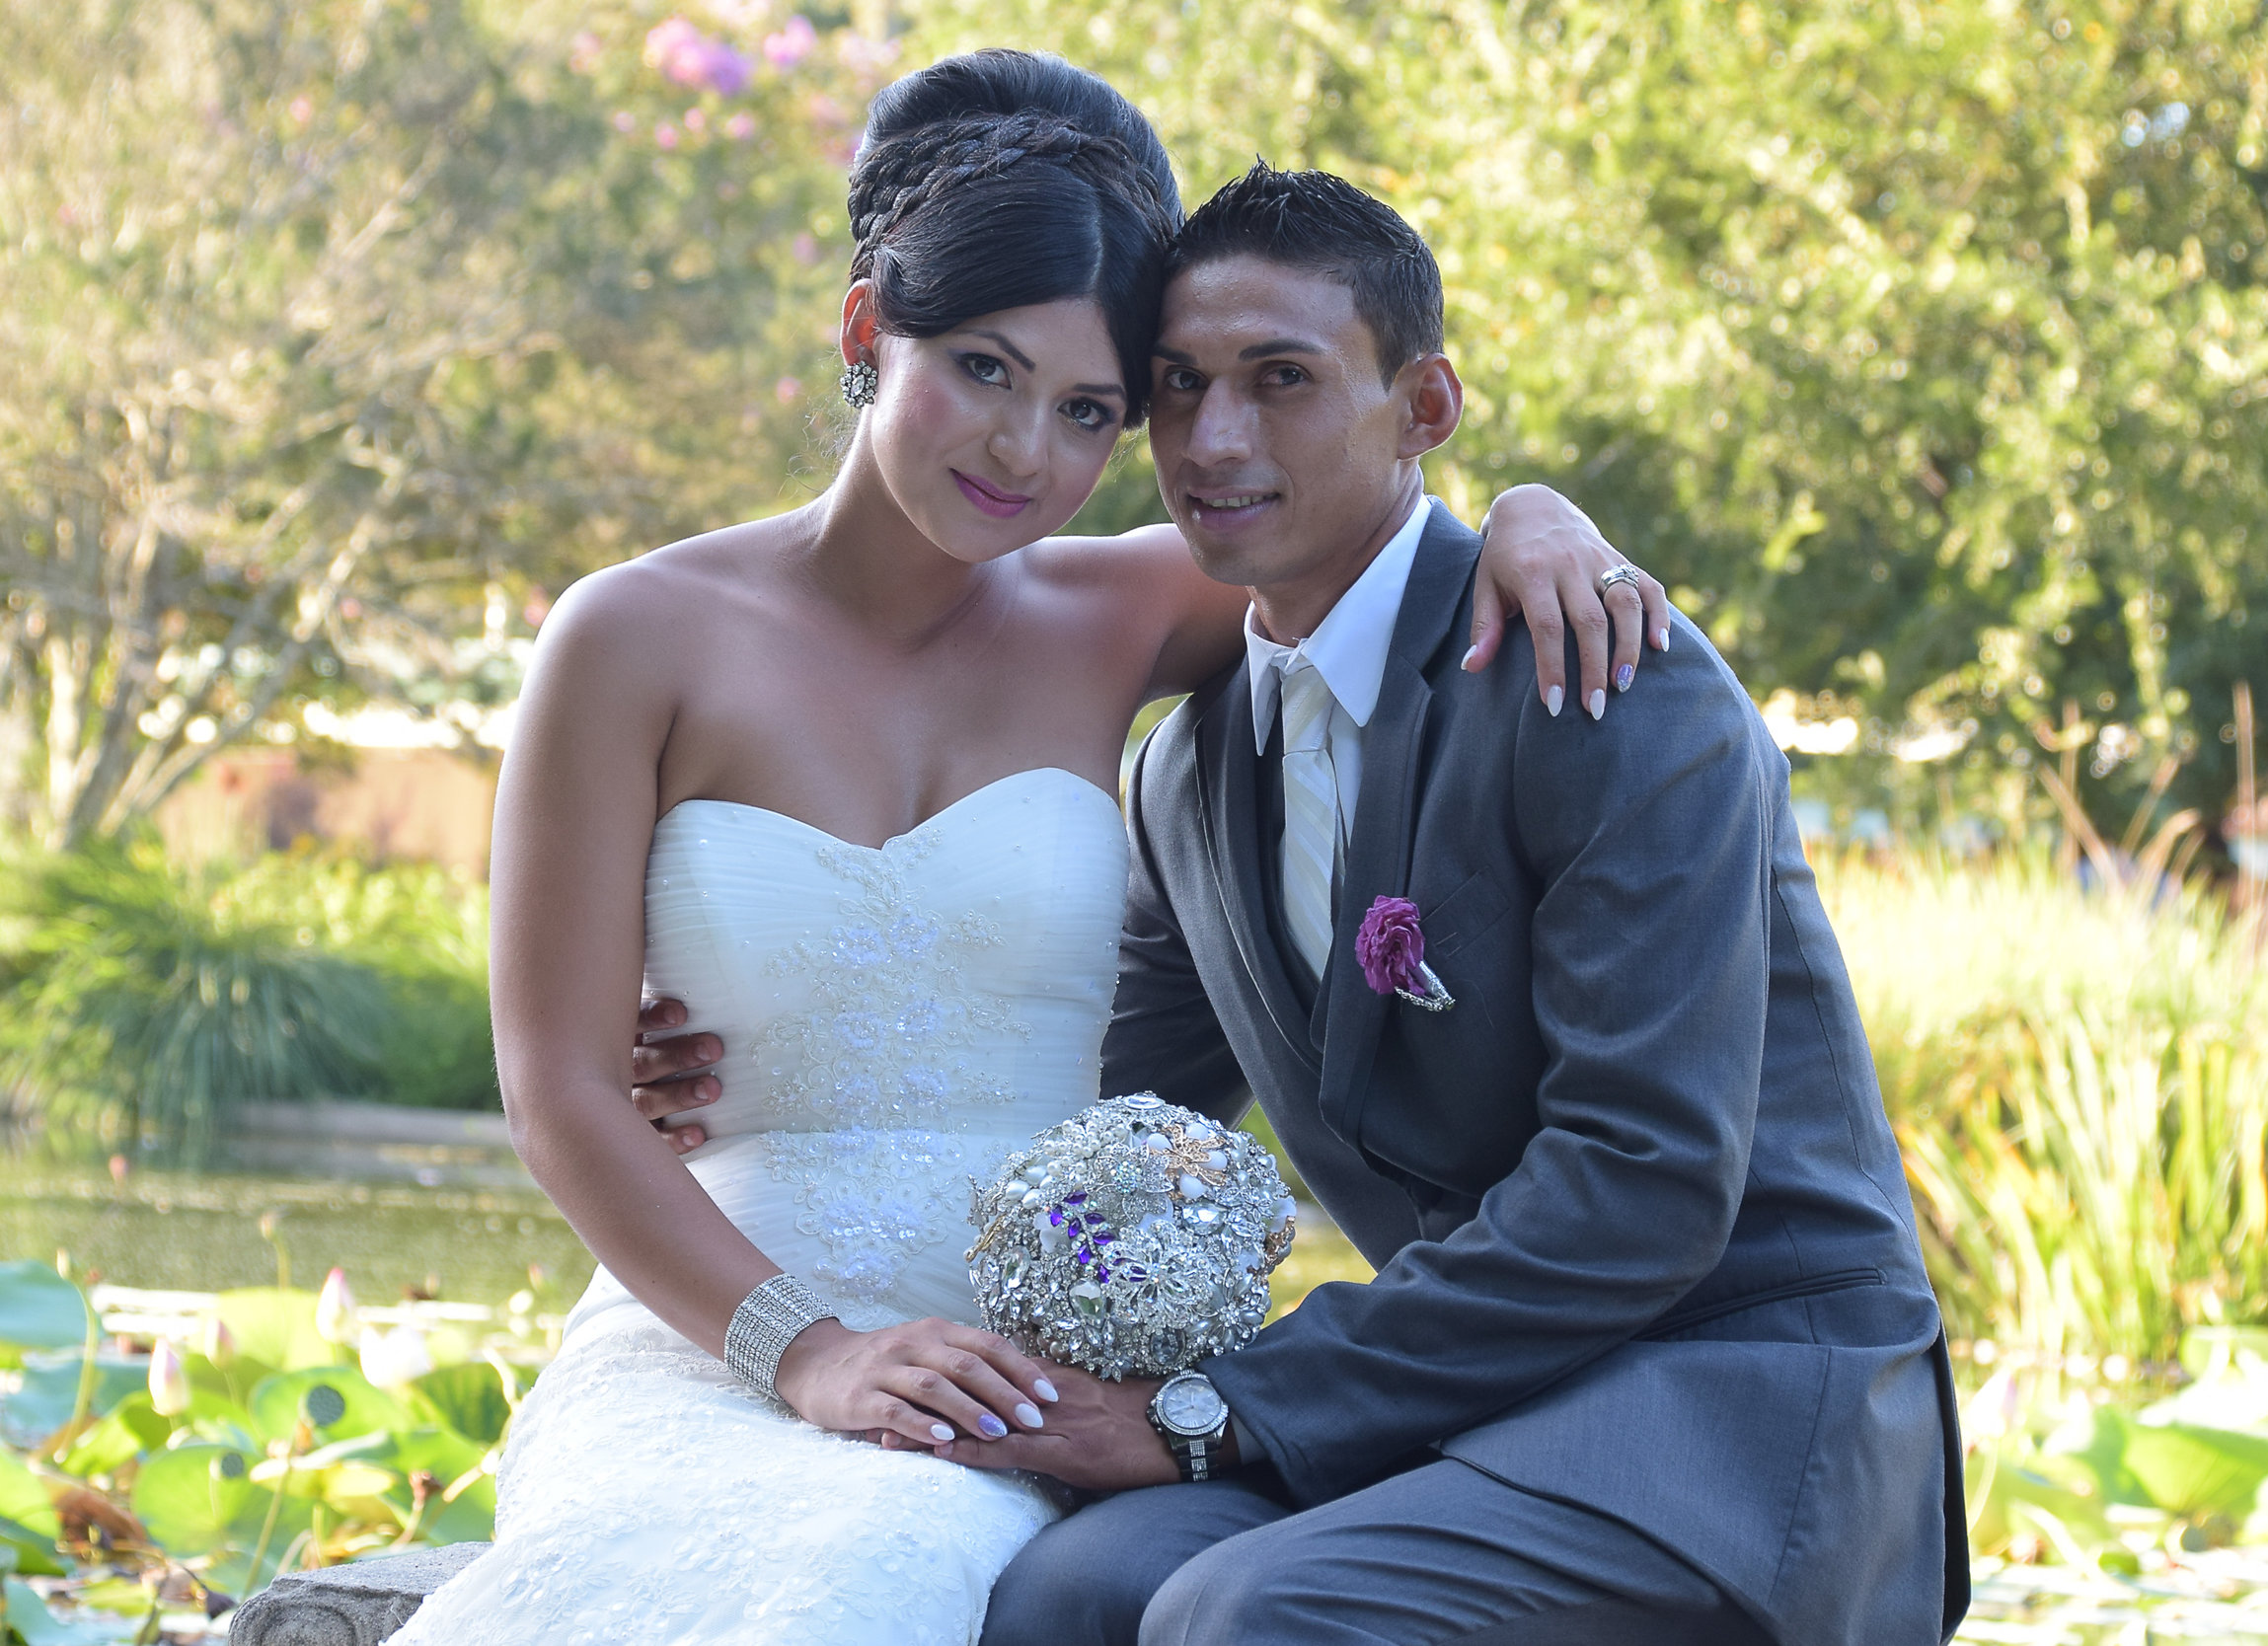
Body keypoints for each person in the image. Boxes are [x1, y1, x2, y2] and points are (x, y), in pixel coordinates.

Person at [396, 50, 1654, 1646]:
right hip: (718, 1321)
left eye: (1088, 413)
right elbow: (560, 1089)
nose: (1025, 454)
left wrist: (1540, 511)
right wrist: (807, 1349)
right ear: (870, 331)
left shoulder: (1124, 612)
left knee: (884, 1585)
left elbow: (1384, 527)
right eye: (983, 371)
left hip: (1036, 1349)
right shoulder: (632, 635)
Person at [686, 164, 1969, 1645]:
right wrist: (771, 1054)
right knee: (1064, 1595)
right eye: (1177, 388)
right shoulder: (1191, 772)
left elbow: (1647, 1179)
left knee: (1253, 1618)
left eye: (1280, 381)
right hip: (1475, 1393)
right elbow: (1091, 1113)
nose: (1215, 441)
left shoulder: (1603, 681)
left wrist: (1206, 1412)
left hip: (1730, 1399)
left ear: (1424, 409)